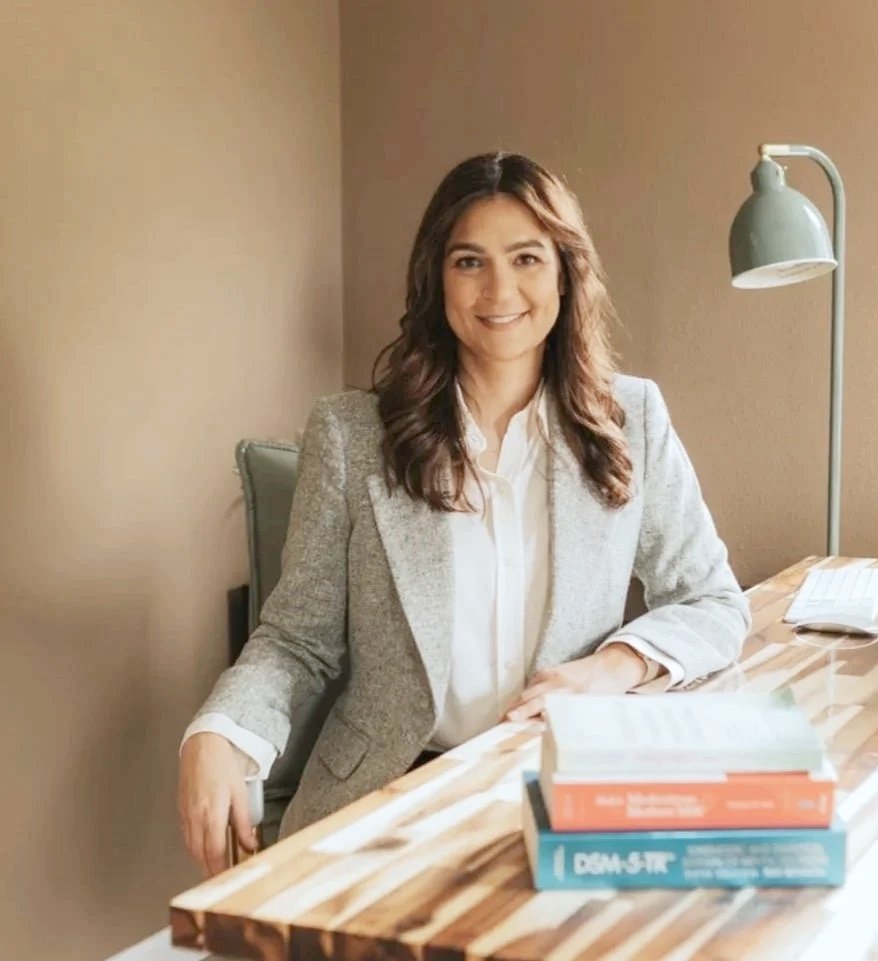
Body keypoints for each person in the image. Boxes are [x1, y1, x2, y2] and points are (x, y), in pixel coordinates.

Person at [178, 151, 750, 877]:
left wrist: (613, 667)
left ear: (565, 273)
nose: (499, 289)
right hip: (382, 804)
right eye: (469, 261)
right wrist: (220, 731)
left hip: (558, 793)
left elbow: (709, 600)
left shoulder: (630, 418)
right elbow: (298, 639)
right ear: (435, 278)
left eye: (526, 258)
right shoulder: (352, 436)